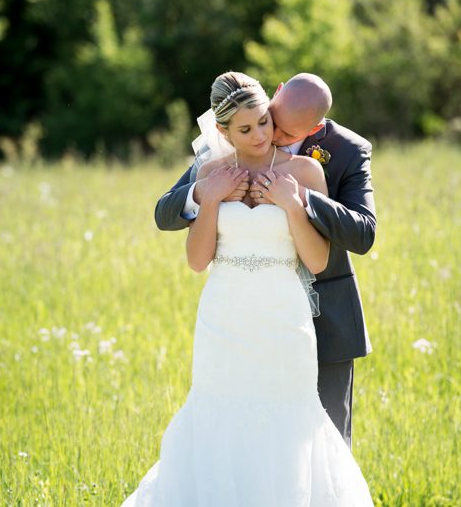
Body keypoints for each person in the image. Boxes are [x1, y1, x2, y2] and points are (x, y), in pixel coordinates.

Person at [121, 72, 374, 506]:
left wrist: (295, 205)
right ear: (223, 131)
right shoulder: (214, 167)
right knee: (221, 419)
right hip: (225, 320)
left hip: (287, 319)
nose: (263, 134)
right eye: (249, 127)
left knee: (296, 425)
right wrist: (209, 196)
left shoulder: (312, 167)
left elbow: (323, 255)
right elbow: (194, 256)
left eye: (267, 125)